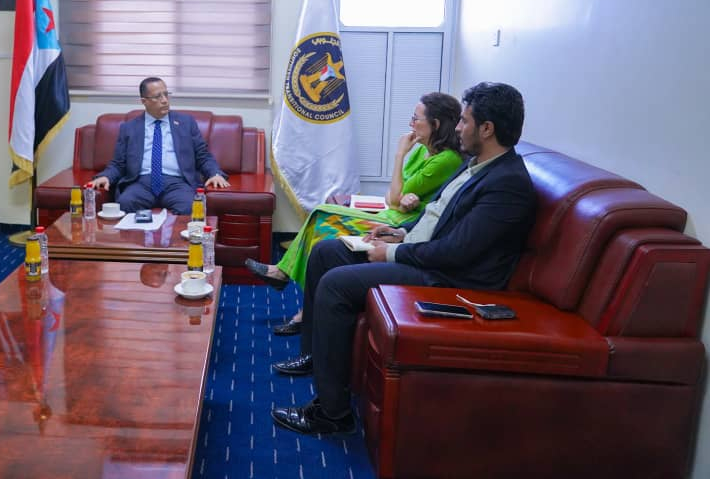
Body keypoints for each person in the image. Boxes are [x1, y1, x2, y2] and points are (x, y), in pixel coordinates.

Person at [269, 82, 537, 436]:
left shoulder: (507, 183)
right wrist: (399, 232)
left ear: (487, 129)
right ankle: (316, 357)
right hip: (424, 253)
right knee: (326, 251)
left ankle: (332, 413)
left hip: (448, 279)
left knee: (336, 285)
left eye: (465, 121)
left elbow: (457, 252)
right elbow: (437, 215)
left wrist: (392, 251)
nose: (458, 127)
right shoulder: (476, 165)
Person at [244, 92, 464, 335]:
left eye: (416, 118)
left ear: (435, 124)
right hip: (393, 214)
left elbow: (393, 198)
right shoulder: (424, 150)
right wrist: (400, 199)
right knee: (320, 214)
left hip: (401, 225)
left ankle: (294, 290)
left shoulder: (446, 160)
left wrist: (399, 155)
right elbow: (392, 198)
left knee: (324, 224)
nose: (411, 124)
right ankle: (290, 283)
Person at [88, 77, 230, 215]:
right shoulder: (129, 128)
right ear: (144, 101)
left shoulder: (186, 123)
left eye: (166, 94)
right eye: (158, 96)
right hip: (141, 183)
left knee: (190, 207)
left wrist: (214, 173)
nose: (165, 100)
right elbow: (118, 163)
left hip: (177, 183)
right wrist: (106, 176)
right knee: (125, 203)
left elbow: (202, 155)